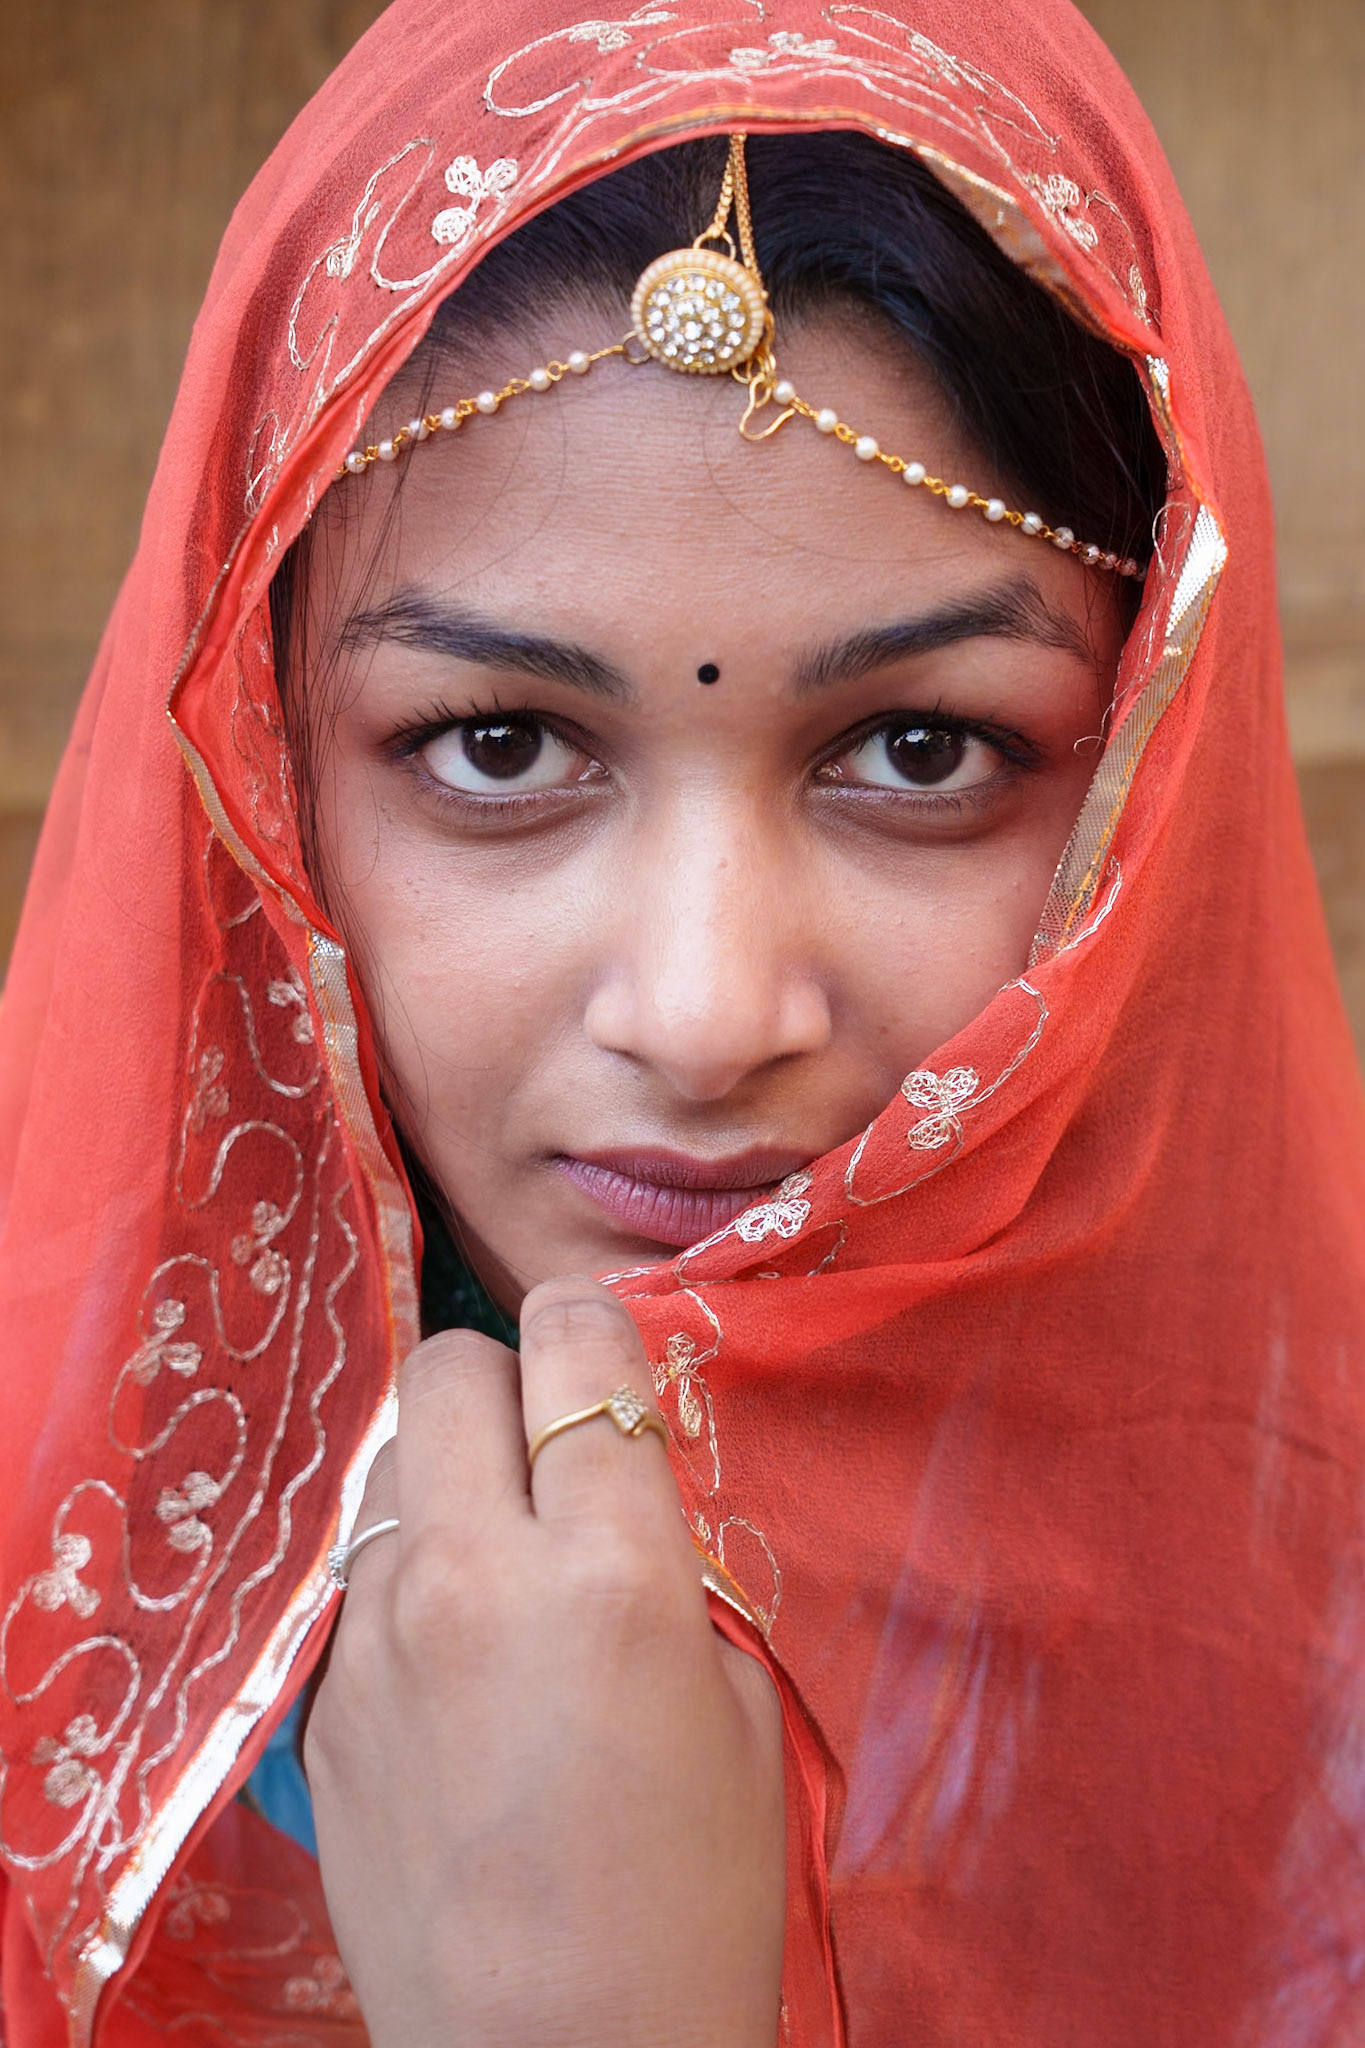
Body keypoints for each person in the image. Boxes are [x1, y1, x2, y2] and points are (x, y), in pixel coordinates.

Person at [1, 1, 1362, 2043]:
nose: (709, 1013)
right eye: (494, 741)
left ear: (1145, 789)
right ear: (269, 792)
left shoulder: (1311, 1669)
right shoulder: (73, 1603)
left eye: (918, 749)